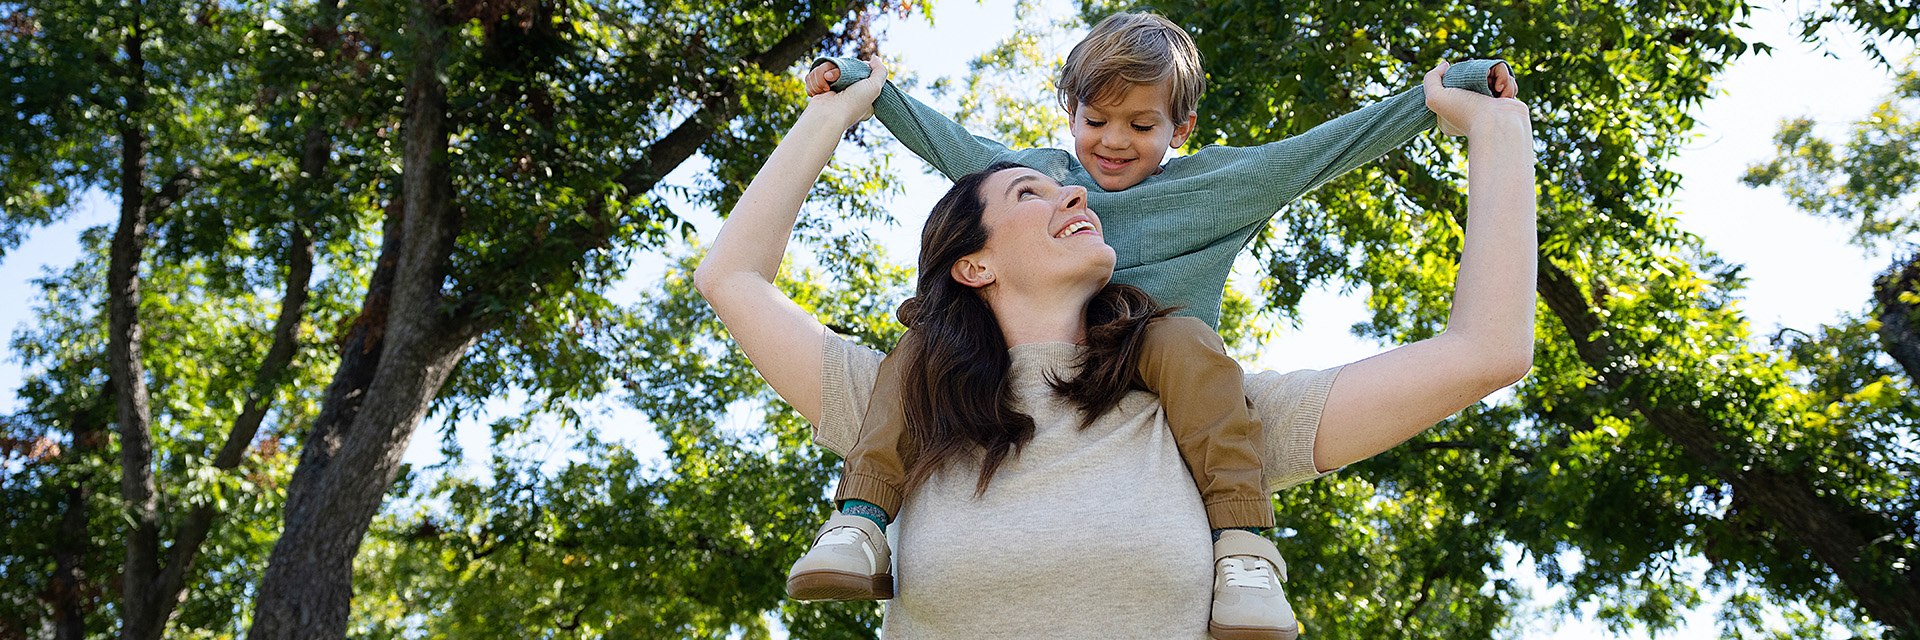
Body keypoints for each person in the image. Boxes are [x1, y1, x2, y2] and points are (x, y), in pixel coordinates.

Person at [692, 52, 1536, 638]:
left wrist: (1494, 128)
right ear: (974, 261)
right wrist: (837, 110)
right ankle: (854, 524)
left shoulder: (1207, 422)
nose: (1079, 186)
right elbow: (732, 279)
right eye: (1032, 186)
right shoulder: (906, 403)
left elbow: (1487, 350)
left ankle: (1251, 556)